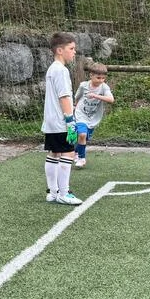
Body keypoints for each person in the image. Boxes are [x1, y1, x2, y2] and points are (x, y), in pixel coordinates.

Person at [40, 32, 81, 205]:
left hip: (51, 121)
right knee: (68, 153)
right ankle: (64, 193)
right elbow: (63, 97)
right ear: (59, 50)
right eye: (71, 48)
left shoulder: (52, 69)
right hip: (60, 121)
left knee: (54, 153)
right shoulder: (61, 71)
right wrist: (70, 121)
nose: (74, 52)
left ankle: (53, 192)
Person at [72, 62, 115, 168]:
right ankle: (82, 158)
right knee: (82, 134)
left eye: (103, 78)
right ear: (91, 75)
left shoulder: (104, 87)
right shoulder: (83, 85)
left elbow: (111, 99)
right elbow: (77, 97)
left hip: (94, 117)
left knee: (84, 138)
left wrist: (96, 96)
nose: (101, 80)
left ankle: (76, 152)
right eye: (98, 78)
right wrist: (75, 106)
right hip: (81, 114)